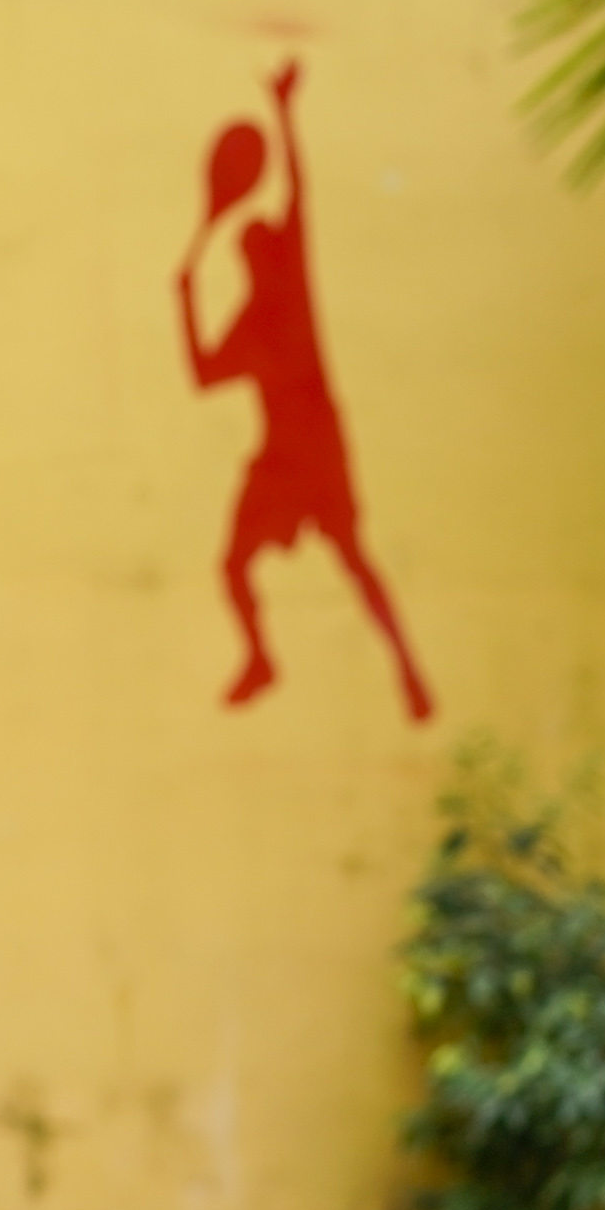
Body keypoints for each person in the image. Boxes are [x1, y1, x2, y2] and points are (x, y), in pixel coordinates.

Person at [174, 59, 435, 722]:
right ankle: (261, 658)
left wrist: (285, 113)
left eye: (266, 242)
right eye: (257, 245)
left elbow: (299, 190)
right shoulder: (257, 319)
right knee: (235, 564)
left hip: (317, 451)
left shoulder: (290, 295)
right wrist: (184, 293)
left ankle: (407, 671)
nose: (264, 246)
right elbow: (202, 374)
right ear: (251, 260)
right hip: (286, 458)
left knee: (354, 564)